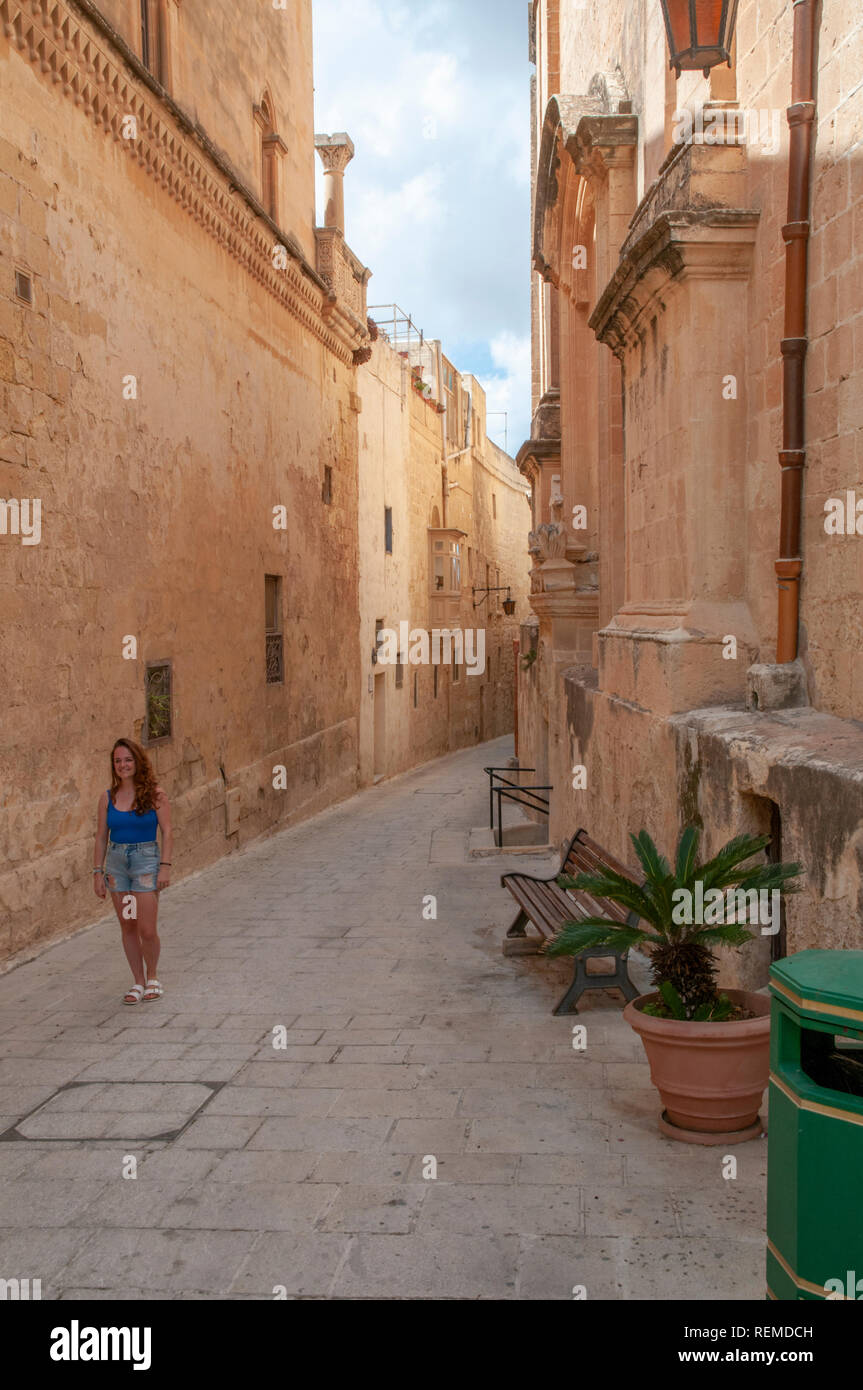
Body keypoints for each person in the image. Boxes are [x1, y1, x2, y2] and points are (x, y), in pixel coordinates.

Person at [93, 738, 172, 1004]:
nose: (123, 765)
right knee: (128, 925)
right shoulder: (107, 799)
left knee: (146, 929)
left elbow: (168, 831)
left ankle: (153, 977)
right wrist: (97, 872)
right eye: (117, 761)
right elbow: (101, 837)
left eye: (127, 760)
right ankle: (137, 981)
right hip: (118, 868)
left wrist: (165, 867)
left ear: (137, 762)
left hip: (145, 864)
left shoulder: (155, 794)